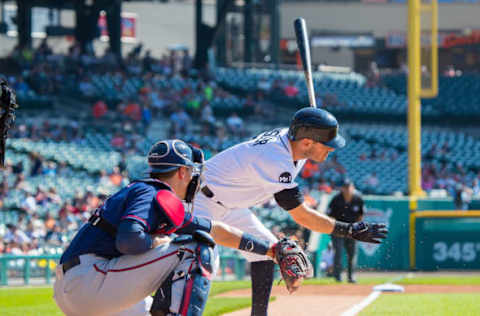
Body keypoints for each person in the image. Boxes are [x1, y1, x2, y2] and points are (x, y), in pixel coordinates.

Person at [53, 139, 286, 316]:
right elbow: (129, 240)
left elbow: (215, 229)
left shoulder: (153, 195)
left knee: (196, 241)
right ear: (183, 172)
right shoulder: (152, 191)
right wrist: (155, 242)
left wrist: (271, 250)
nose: (196, 178)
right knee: (196, 248)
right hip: (89, 281)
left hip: (78, 285)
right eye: (193, 172)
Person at [193, 107, 387, 316]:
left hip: (230, 205)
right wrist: (348, 230)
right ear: (306, 143)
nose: (331, 150)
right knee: (196, 262)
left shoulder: (295, 142)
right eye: (327, 145)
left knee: (267, 252)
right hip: (201, 202)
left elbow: (303, 126)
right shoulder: (276, 159)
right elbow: (302, 215)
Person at [327, 178, 365, 283]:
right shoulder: (336, 199)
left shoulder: (358, 199)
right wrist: (335, 229)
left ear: (353, 188)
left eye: (349, 187)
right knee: (338, 252)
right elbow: (329, 216)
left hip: (352, 230)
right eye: (346, 187)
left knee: (352, 254)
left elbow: (361, 216)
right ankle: (337, 276)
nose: (348, 189)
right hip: (338, 230)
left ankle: (351, 276)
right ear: (342, 188)